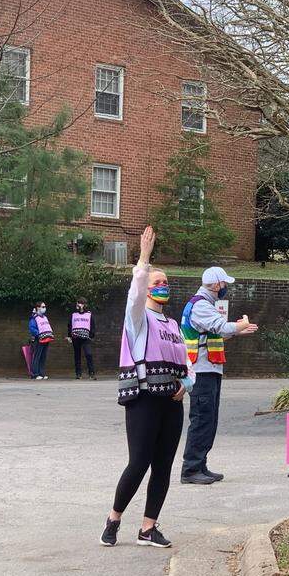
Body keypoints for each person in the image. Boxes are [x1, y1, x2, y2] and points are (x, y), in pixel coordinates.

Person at [100, 226, 194, 549]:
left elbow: (187, 363)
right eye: (158, 282)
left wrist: (187, 385)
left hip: (172, 401)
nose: (162, 286)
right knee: (139, 462)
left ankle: (148, 528)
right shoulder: (138, 318)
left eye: (165, 282)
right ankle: (113, 519)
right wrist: (143, 260)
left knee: (164, 466)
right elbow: (136, 293)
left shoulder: (173, 325)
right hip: (143, 399)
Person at [178, 266, 259, 485]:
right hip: (202, 371)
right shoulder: (201, 305)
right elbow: (220, 327)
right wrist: (239, 324)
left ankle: (200, 464)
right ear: (215, 285)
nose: (225, 288)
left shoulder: (205, 305)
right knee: (202, 420)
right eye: (224, 284)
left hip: (209, 369)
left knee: (209, 420)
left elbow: (216, 335)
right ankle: (191, 469)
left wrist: (238, 331)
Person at [67, 297, 97, 380]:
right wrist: (69, 336)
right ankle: (78, 373)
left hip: (86, 338)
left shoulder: (89, 314)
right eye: (77, 303)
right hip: (75, 338)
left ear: (84, 304)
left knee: (88, 354)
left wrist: (91, 336)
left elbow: (92, 325)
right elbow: (70, 325)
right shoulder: (73, 314)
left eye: (79, 303)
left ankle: (91, 373)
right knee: (77, 355)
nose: (77, 304)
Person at [28, 301, 53, 380]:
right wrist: (39, 334)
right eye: (43, 307)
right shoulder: (34, 318)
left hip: (46, 338)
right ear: (38, 308)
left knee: (43, 356)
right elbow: (32, 328)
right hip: (38, 339)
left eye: (45, 306)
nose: (44, 308)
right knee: (37, 356)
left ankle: (41, 373)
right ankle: (35, 374)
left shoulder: (44, 317)